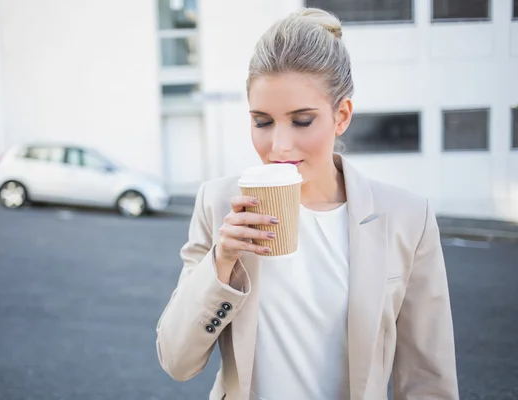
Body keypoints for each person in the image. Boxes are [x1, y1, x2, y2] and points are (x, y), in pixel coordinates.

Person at [156, 7, 459, 400]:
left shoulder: (406, 218)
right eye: (262, 122)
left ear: (342, 116)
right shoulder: (218, 205)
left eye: (302, 121)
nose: (279, 146)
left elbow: (428, 381)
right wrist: (222, 261)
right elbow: (177, 361)